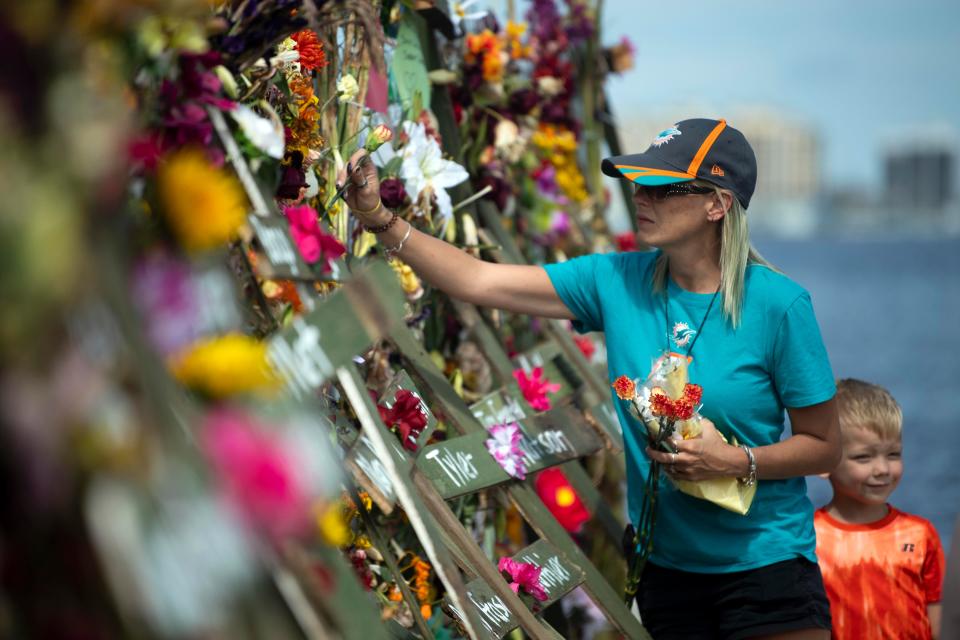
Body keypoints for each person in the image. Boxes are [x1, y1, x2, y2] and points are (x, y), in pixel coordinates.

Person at [341, 117, 841, 639]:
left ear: (716, 204)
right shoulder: (614, 280)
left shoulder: (779, 306)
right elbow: (477, 279)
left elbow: (826, 447)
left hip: (766, 567)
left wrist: (734, 461)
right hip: (666, 572)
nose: (639, 195)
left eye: (661, 185)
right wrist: (377, 216)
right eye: (636, 181)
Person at [814, 378, 945, 639]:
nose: (883, 469)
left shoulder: (919, 534)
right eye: (863, 457)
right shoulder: (809, 537)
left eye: (893, 454)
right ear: (823, 463)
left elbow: (937, 613)